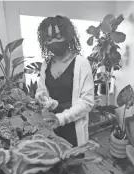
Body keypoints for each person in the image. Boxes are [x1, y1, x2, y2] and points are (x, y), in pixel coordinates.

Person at [35, 15, 95, 147]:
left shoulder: (81, 64)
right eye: (48, 39)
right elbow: (42, 89)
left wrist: (60, 118)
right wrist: (41, 96)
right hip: (50, 127)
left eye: (57, 37)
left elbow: (87, 102)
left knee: (73, 164)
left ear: (67, 35)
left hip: (73, 129)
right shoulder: (46, 64)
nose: (53, 43)